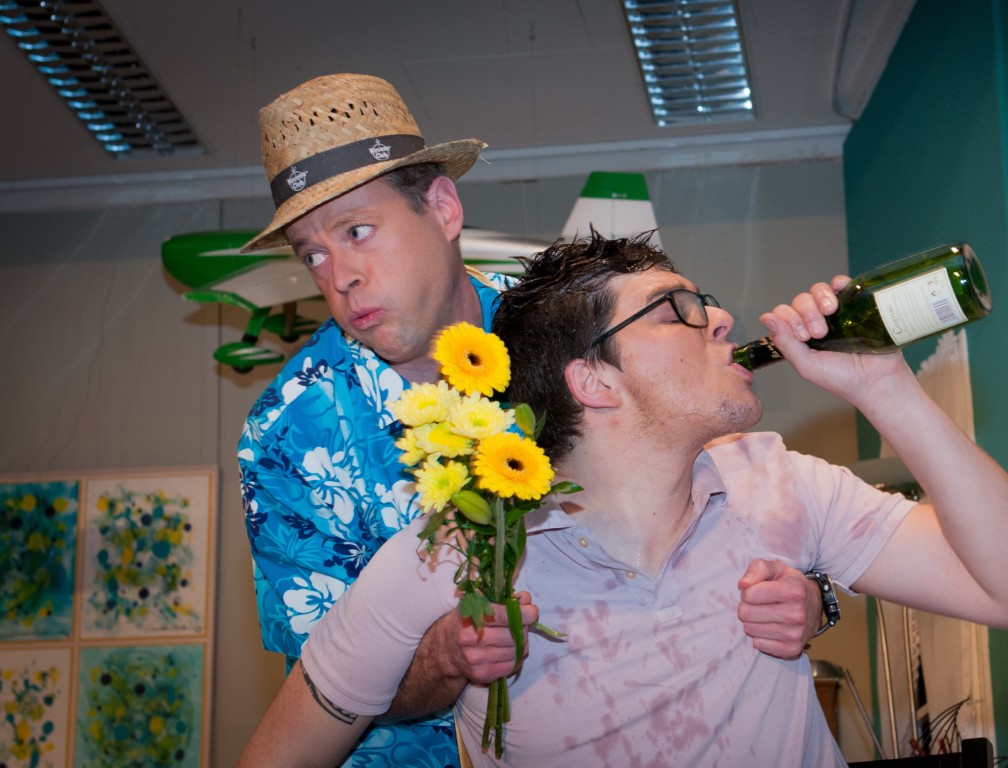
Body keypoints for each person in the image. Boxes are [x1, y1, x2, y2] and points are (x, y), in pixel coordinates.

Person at [241, 231, 1008, 766]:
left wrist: (886, 389)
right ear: (593, 380)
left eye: (702, 302)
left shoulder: (780, 482)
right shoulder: (462, 552)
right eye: (675, 310)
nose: (718, 320)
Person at [236, 75, 828, 767]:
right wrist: (441, 658)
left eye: (357, 232)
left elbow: (721, 490)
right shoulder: (287, 437)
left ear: (443, 207)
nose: (338, 276)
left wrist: (813, 597)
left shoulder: (570, 328)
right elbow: (317, 691)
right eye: (311, 254)